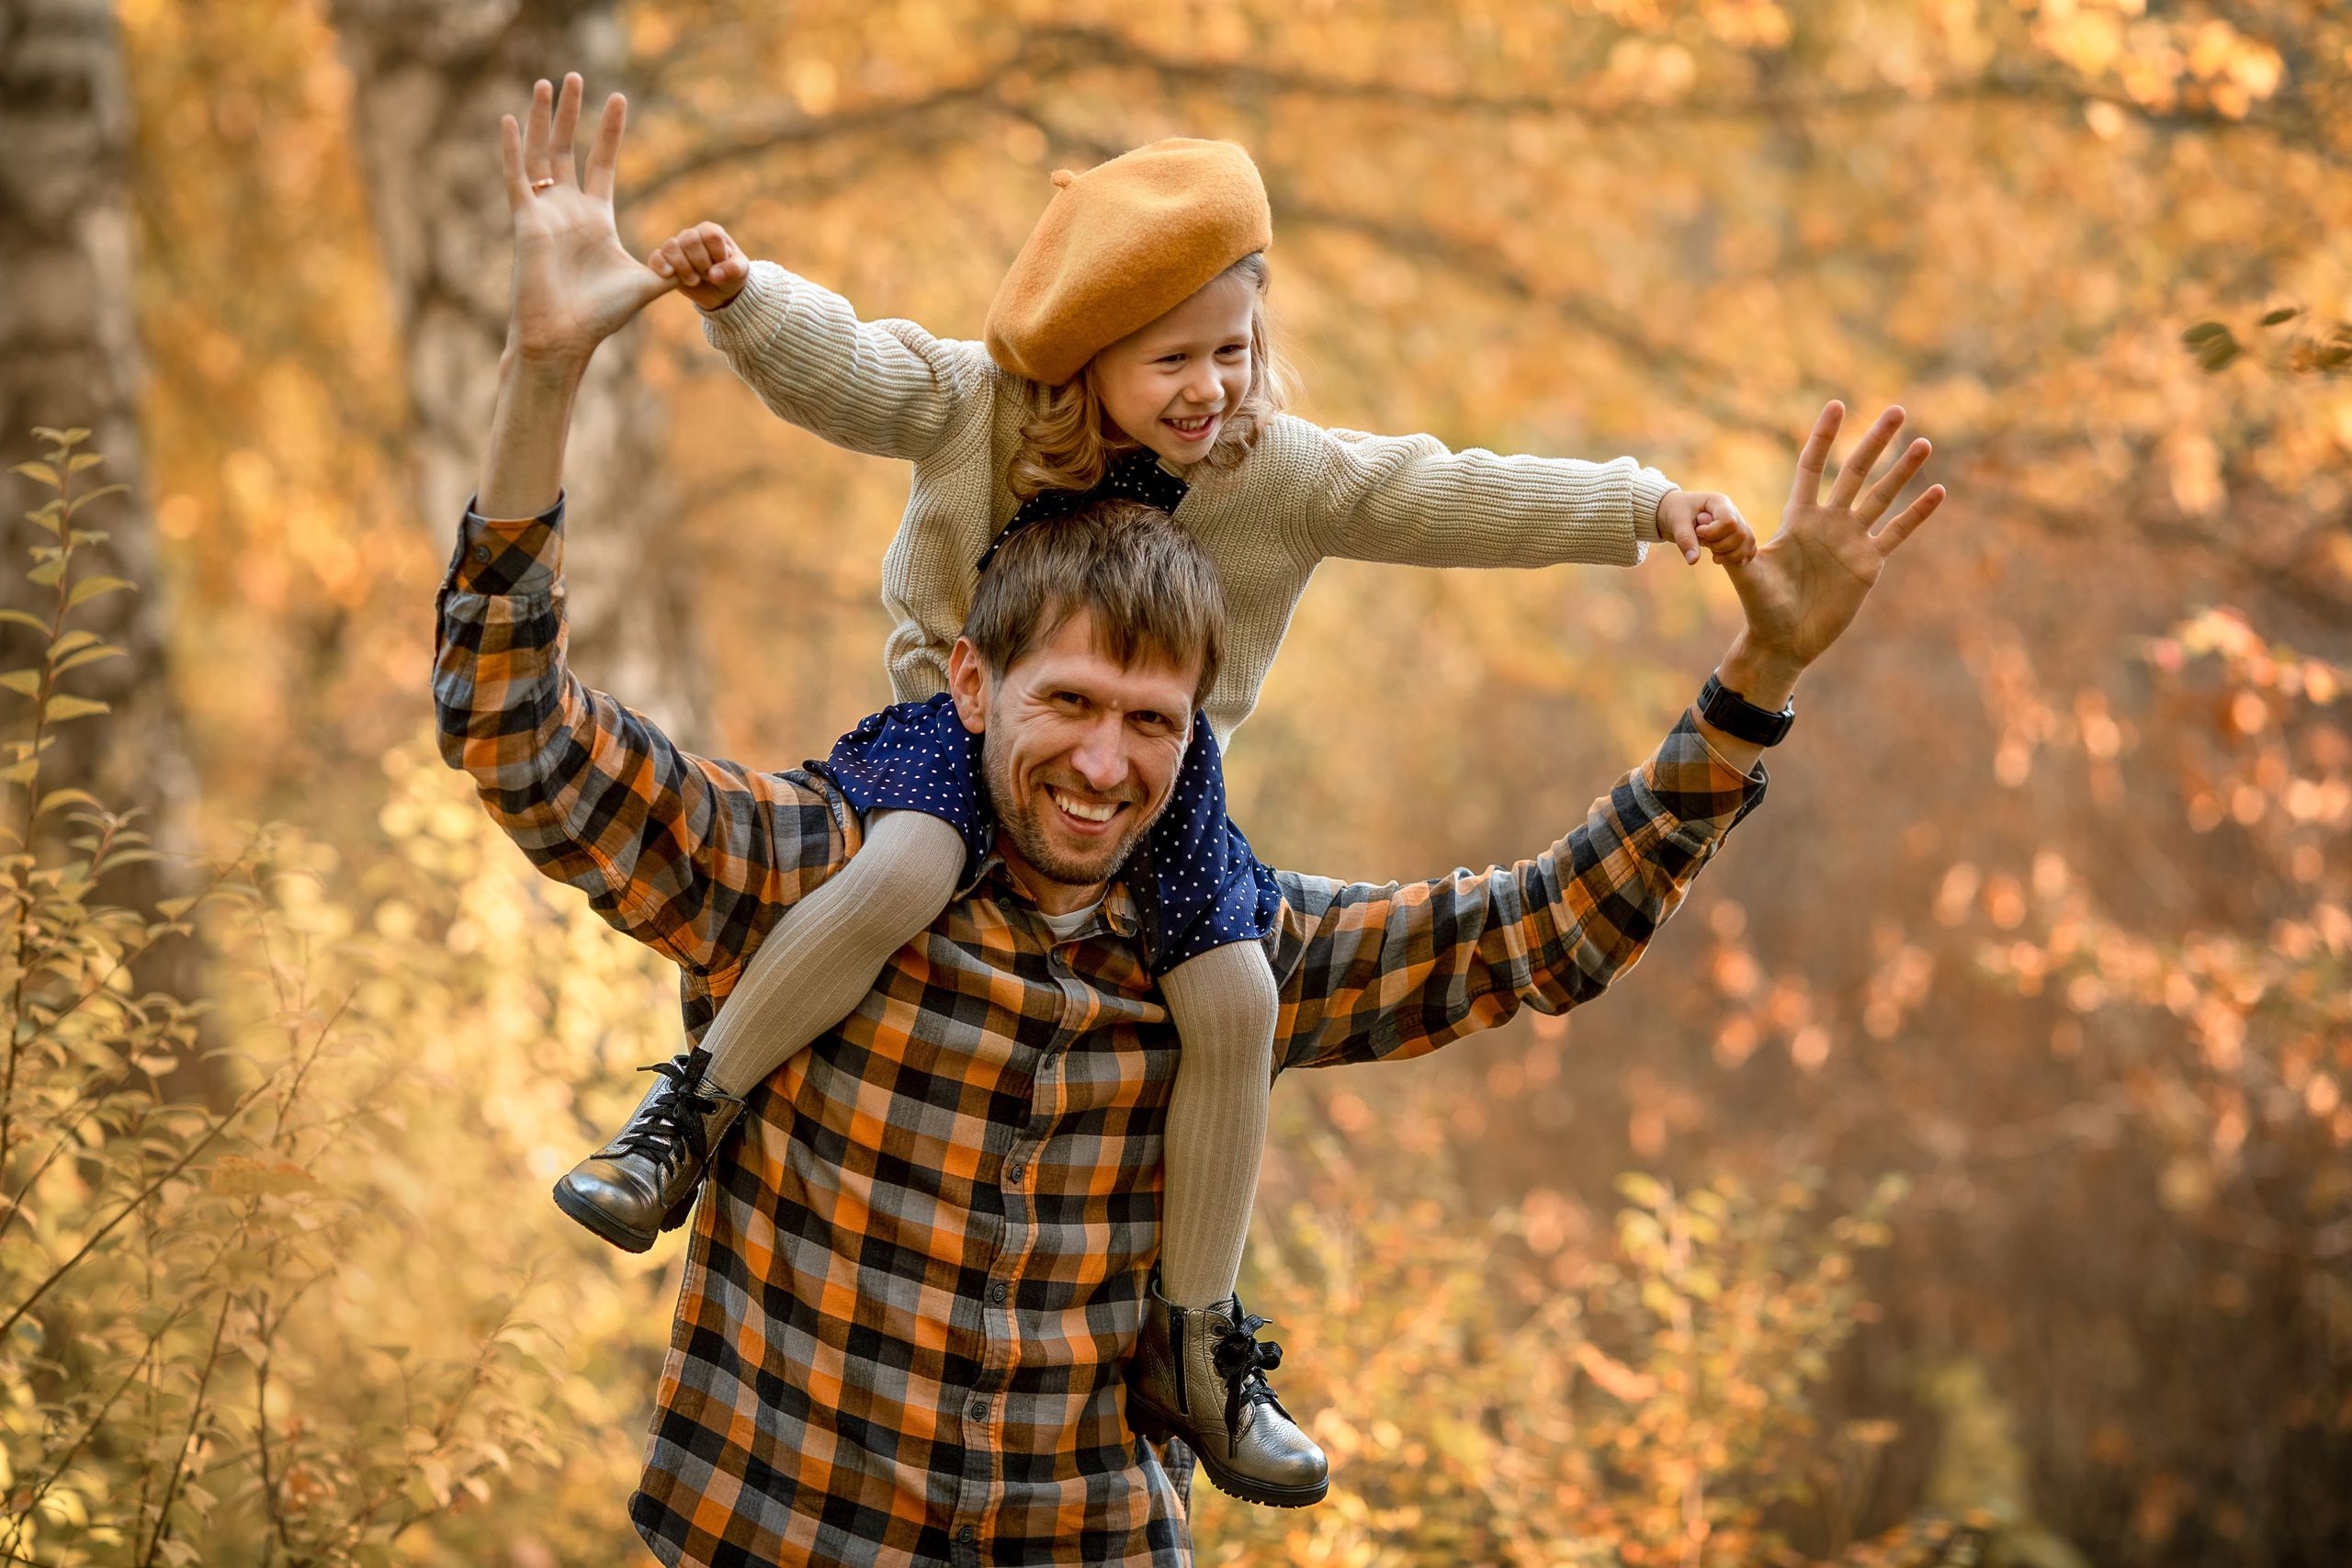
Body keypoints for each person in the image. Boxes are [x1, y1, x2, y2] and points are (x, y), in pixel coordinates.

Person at [436, 75, 1944, 1565]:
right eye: (1071, 707)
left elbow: (1544, 921)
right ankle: (680, 1118)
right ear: (977, 675)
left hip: (1088, 1532)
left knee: (1236, 992)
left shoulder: (1209, 892)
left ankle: (1201, 1345)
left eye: (1151, 721)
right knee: (907, 862)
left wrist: (1746, 645)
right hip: (784, 1526)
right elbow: (524, 719)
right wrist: (583, 356)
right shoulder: (803, 858)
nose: (1104, 766)